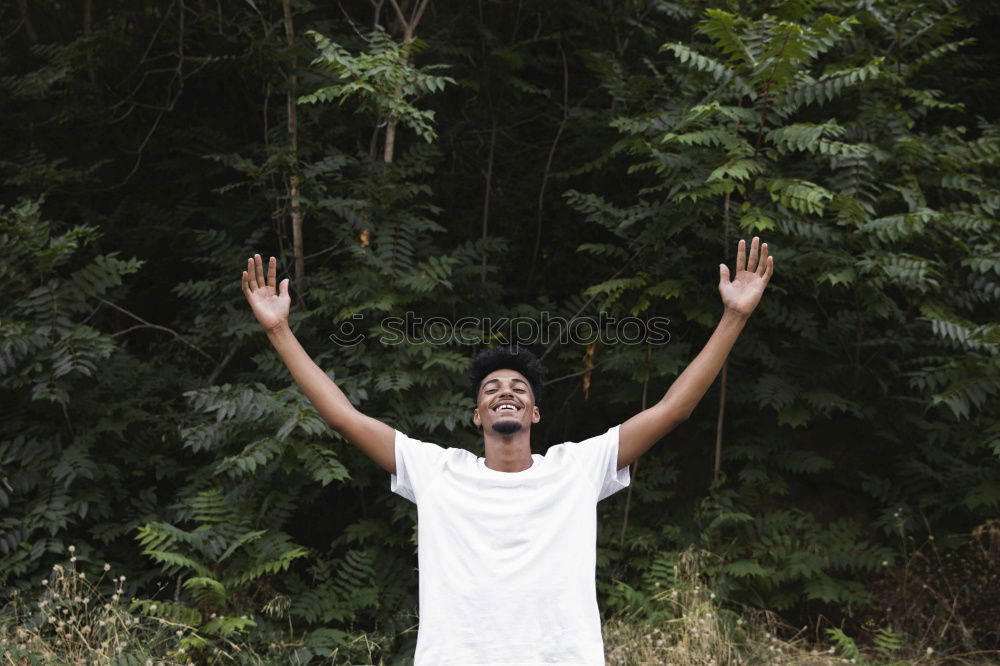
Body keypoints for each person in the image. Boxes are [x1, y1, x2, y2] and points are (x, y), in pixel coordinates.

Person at [241, 237, 773, 665]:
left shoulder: (577, 469)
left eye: (519, 388)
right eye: (491, 388)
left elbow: (672, 410)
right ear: (477, 416)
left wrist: (734, 317)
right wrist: (280, 330)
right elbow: (343, 416)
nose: (506, 392)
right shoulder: (437, 471)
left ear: (535, 413)